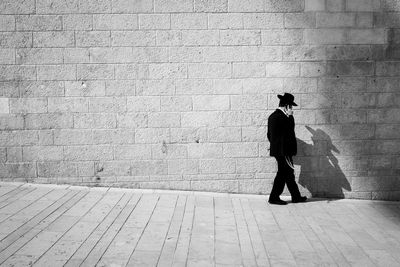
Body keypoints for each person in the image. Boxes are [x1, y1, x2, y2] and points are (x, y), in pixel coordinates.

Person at [267, 93, 307, 205]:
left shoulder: (279, 116)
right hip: (283, 152)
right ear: (286, 106)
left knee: (289, 173)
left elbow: (270, 135)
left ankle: (296, 196)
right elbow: (277, 135)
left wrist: (289, 117)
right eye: (291, 106)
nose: (292, 109)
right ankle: (274, 197)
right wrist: (289, 117)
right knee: (282, 174)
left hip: (282, 151)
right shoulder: (279, 117)